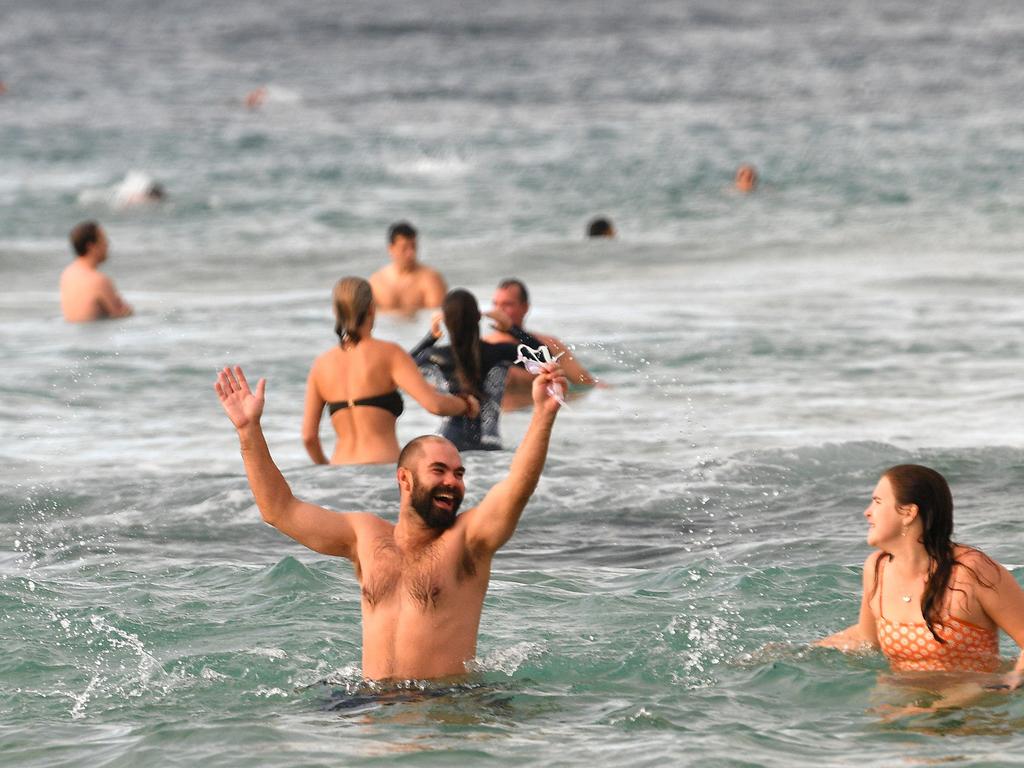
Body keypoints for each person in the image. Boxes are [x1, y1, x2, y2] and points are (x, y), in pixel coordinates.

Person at [214, 361, 566, 681]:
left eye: (459, 474)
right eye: (439, 471)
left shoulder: (468, 542)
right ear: (405, 479)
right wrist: (248, 431)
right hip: (368, 702)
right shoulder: (363, 536)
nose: (453, 482)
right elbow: (279, 510)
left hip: (443, 705)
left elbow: (516, 488)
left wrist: (543, 415)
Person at [819, 465, 1024, 687]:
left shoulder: (972, 571)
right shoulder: (877, 568)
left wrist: (1009, 682)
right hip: (906, 706)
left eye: (877, 501)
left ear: (908, 513)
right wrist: (796, 654)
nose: (867, 512)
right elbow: (867, 638)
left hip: (970, 710)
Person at [302, 276, 479, 465]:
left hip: (340, 474)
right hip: (382, 471)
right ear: (371, 308)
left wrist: (326, 468)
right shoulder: (389, 354)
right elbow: (434, 404)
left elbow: (309, 437)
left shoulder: (321, 365)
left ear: (337, 312)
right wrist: (467, 404)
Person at [411, 289, 544, 451]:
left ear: (446, 321)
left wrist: (430, 337)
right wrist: (511, 328)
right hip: (489, 445)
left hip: (447, 445)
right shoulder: (499, 352)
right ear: (478, 318)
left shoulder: (434, 356)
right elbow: (545, 358)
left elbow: (398, 369)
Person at [483, 278, 599, 410]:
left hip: (543, 411)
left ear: (525, 307)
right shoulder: (485, 345)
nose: (499, 311)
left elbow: (584, 382)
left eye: (507, 305)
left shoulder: (549, 343)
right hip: (506, 417)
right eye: (495, 304)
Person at [60, 221, 133, 323]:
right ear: (91, 246)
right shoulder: (99, 280)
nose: (108, 244)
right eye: (104, 240)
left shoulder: (67, 274)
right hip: (95, 336)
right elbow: (122, 314)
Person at [368, 221, 447, 314]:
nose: (410, 253)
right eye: (404, 248)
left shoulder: (431, 279)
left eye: (413, 247)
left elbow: (437, 318)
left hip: (420, 328)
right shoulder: (377, 282)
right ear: (391, 248)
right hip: (386, 328)